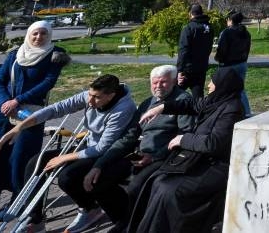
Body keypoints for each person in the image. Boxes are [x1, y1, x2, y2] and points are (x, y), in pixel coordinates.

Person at [0, 73, 137, 233]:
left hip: (108, 153)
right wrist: (19, 127)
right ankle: (35, 219)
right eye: (89, 95)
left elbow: (102, 148)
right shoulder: (90, 96)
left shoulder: (124, 108)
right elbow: (56, 109)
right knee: (35, 162)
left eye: (96, 97)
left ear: (111, 95)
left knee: (67, 177)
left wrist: (63, 158)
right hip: (88, 145)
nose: (90, 101)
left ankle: (90, 208)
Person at [0, 21, 70, 223]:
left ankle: (16, 200)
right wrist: (5, 102)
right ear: (28, 35)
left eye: (42, 34)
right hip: (3, 111)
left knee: (21, 157)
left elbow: (47, 83)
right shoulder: (16, 53)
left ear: (48, 35)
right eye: (34, 34)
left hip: (30, 114)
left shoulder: (55, 55)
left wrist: (18, 101)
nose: (38, 37)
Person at [127, 66, 246, 233]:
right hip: (200, 159)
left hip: (216, 165)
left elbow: (214, 143)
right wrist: (161, 108)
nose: (209, 85)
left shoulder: (232, 108)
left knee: (170, 191)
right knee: (157, 181)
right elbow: (191, 104)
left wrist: (183, 139)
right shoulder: (216, 100)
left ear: (222, 84)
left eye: (213, 82)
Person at [82, 66, 195, 233]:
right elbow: (129, 136)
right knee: (98, 181)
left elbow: (184, 136)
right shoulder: (147, 103)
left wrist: (156, 156)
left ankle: (133, 225)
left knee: (135, 187)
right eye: (155, 82)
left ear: (173, 81)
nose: (158, 86)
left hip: (166, 157)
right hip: (141, 155)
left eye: (163, 82)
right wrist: (100, 164)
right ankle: (125, 220)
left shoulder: (183, 102)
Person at [214, 10, 252, 116]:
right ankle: (246, 112)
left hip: (229, 65)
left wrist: (218, 59)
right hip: (242, 63)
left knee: (222, 89)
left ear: (230, 20)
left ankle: (221, 112)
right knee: (240, 89)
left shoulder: (226, 32)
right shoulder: (246, 33)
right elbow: (247, 48)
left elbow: (222, 49)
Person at [176, 4, 212, 99]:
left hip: (188, 69)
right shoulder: (209, 27)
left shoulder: (189, 28)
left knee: (174, 93)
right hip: (201, 67)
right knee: (198, 95)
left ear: (190, 13)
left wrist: (180, 70)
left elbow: (183, 50)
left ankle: (171, 112)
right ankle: (199, 112)